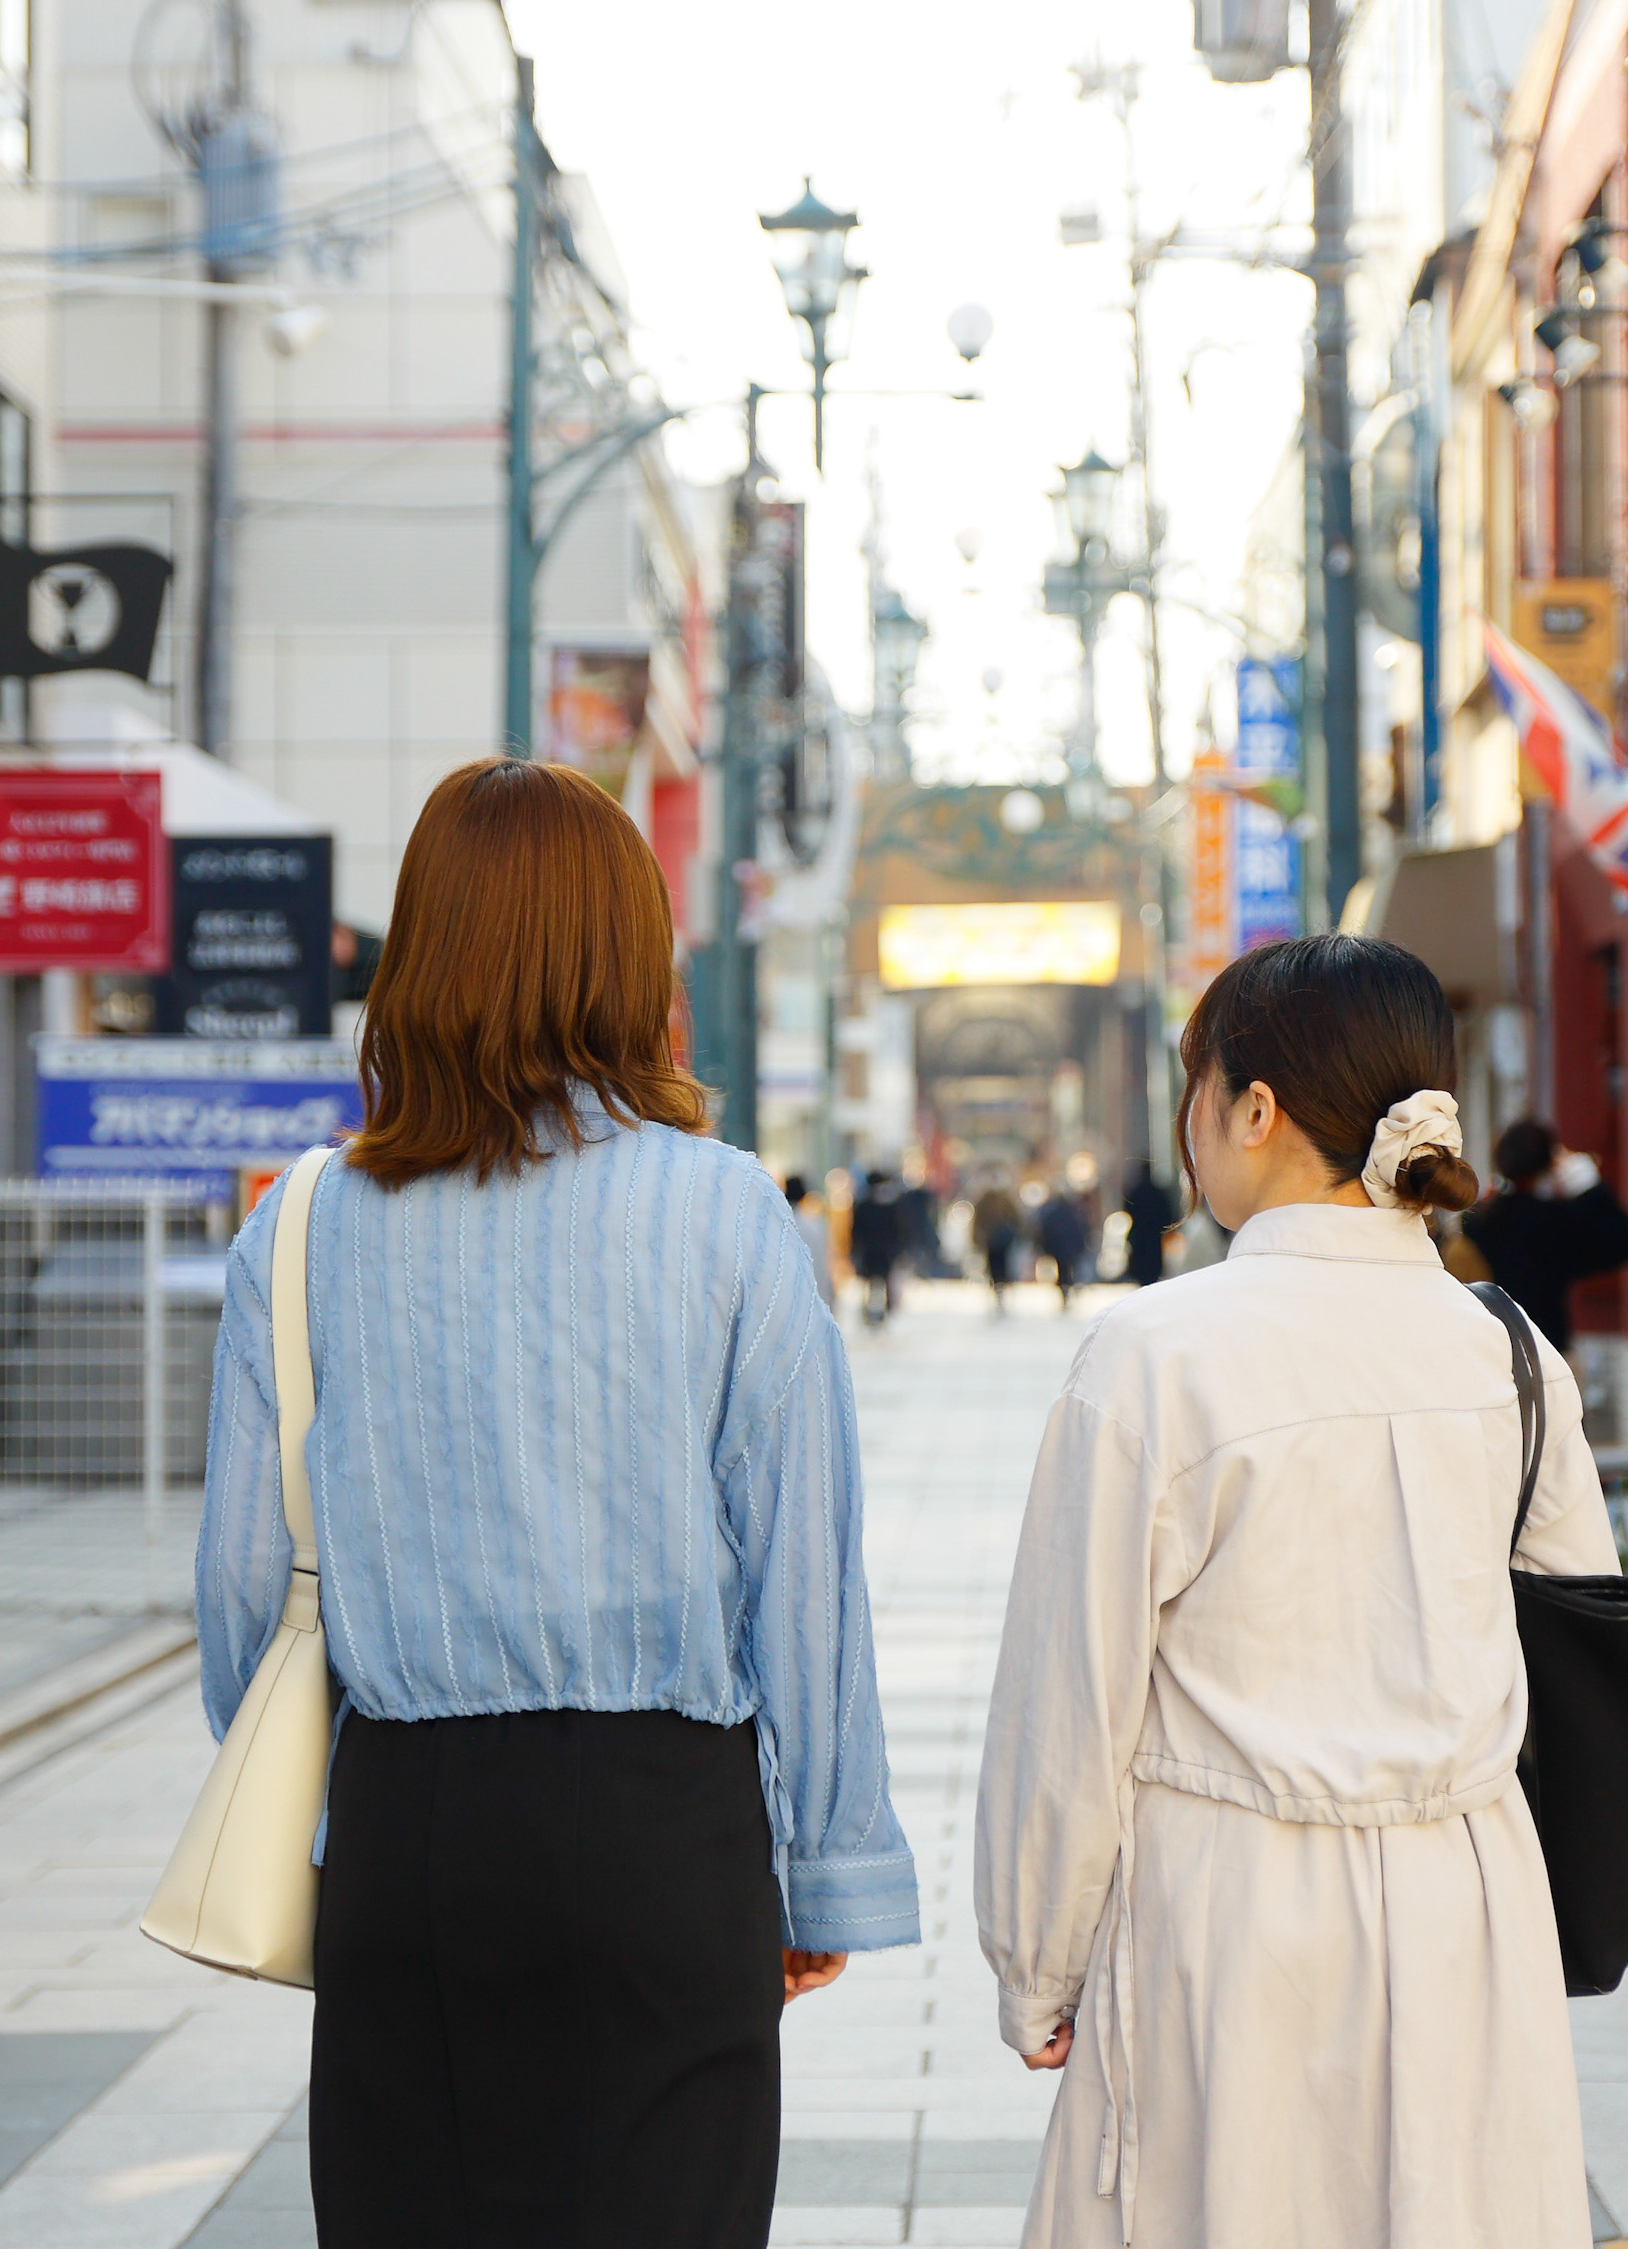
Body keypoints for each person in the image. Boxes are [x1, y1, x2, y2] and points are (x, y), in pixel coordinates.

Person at [196, 759, 916, 2248]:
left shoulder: (304, 1225)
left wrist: (340, 1809)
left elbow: (240, 1606)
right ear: (625, 961)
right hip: (661, 1834)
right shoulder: (724, 1211)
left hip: (406, 1834)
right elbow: (804, 1577)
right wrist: (824, 1861)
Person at [976, 933, 1617, 2248]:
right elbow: (1584, 1632)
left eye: (1197, 1090)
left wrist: (1035, 1961)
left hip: (1230, 1911)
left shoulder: (1158, 1353)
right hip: (1467, 1910)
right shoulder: (1509, 1353)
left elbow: (1072, 1699)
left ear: (1254, 1109)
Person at [1457, 1117, 1628, 1352]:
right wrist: (1588, 1186)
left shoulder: (1476, 1219)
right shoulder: (1552, 1220)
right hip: (1545, 1350)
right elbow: (1622, 1242)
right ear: (1548, 1165)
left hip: (1485, 1346)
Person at [848, 1168, 906, 1328]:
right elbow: (898, 1230)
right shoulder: (890, 1205)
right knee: (881, 1282)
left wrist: (855, 1250)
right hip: (884, 1251)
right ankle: (881, 1312)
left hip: (870, 1252)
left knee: (871, 1284)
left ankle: (872, 1312)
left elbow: (856, 1231)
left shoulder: (863, 1205)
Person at [1032, 1174, 1093, 1310]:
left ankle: (1065, 1291)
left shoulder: (1053, 1211)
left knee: (1063, 1270)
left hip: (1059, 1247)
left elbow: (1045, 1229)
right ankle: (1067, 1290)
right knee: (1068, 1269)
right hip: (1068, 1246)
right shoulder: (1072, 1211)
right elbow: (1080, 1228)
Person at [1115, 1160, 1177, 1286]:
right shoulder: (1158, 1193)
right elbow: (1168, 1215)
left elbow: (1127, 1211)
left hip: (1140, 1239)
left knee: (1142, 1273)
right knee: (1152, 1272)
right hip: (1154, 1240)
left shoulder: (1135, 1192)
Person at [975, 1173, 1027, 1317]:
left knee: (1002, 1266)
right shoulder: (986, 1200)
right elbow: (977, 1221)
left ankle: (1001, 1290)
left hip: (1002, 1241)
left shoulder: (1004, 1200)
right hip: (991, 1240)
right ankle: (997, 1290)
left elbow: (1016, 1218)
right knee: (993, 1267)